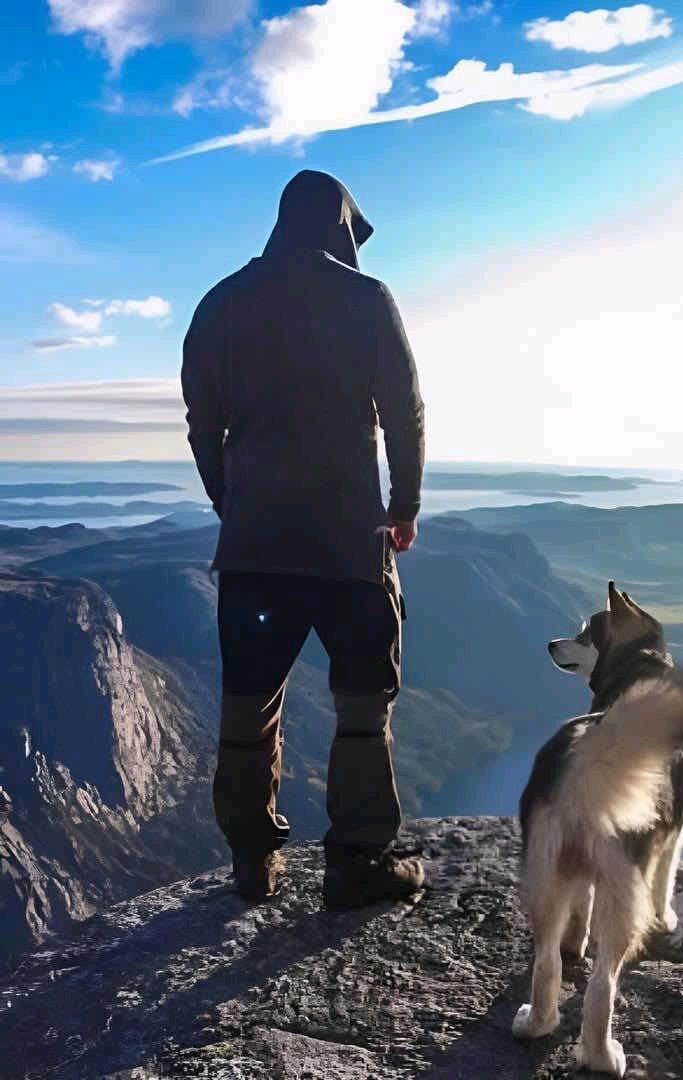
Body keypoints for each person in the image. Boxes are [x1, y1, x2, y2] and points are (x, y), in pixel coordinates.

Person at [181, 169, 425, 906]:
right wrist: (403, 505)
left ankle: (253, 862)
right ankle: (356, 862)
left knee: (249, 701)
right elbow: (405, 413)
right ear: (338, 227)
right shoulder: (366, 299)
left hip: (256, 543)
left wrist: (235, 504)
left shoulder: (221, 302)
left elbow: (204, 425)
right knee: (362, 699)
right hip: (351, 540)